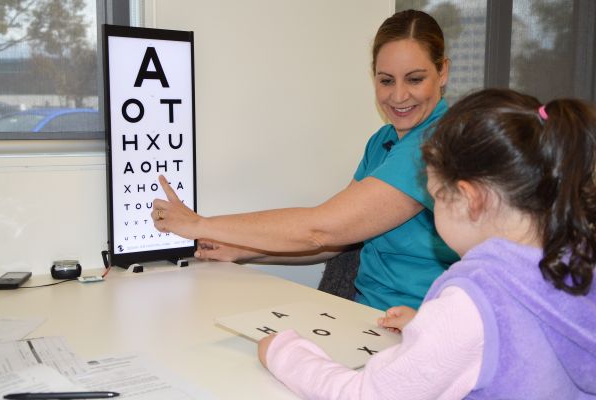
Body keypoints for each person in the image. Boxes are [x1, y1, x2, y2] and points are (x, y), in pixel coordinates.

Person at [256, 88, 596, 399]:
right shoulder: (574, 265)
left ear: (468, 199)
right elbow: (518, 336)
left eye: (435, 197)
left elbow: (364, 395)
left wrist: (284, 352)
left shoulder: (468, 308)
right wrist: (430, 330)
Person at [152, 9, 458, 311]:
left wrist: (198, 224)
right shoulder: (383, 141)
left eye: (415, 79)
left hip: (417, 328)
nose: (399, 96)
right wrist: (245, 251)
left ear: (442, 72)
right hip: (366, 317)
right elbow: (333, 242)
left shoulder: (436, 146)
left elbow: (320, 230)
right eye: (386, 81)